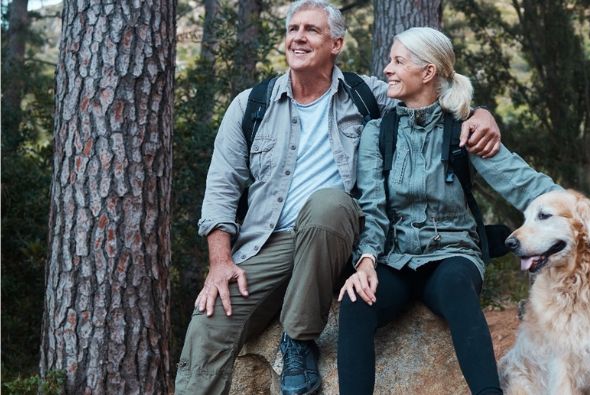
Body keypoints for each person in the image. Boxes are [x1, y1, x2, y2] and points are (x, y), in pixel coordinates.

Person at [175, 1, 504, 394]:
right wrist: (220, 262)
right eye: (292, 29)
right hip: (269, 242)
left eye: (311, 30)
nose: (298, 37)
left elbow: (434, 93)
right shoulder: (251, 105)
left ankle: (297, 340)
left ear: (336, 44)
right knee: (210, 318)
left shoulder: (369, 95)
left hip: (340, 237)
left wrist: (481, 113)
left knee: (328, 204)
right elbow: (221, 189)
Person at [336, 27, 562, 395]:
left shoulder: (464, 128)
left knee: (457, 285)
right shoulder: (378, 133)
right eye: (389, 60)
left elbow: (520, 182)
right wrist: (365, 263)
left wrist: (577, 209)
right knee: (355, 300)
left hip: (452, 253)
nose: (387, 69)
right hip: (395, 258)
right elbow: (372, 208)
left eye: (398, 61)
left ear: (427, 73)